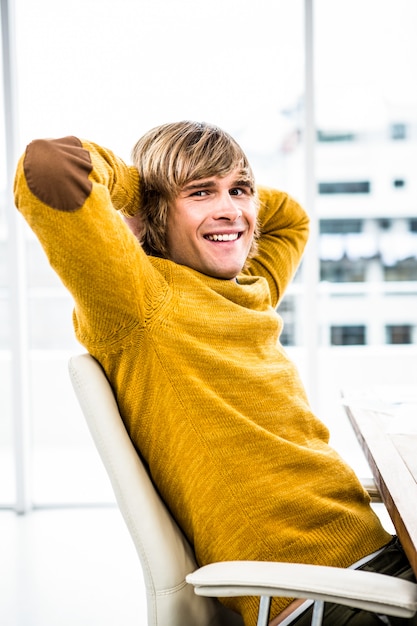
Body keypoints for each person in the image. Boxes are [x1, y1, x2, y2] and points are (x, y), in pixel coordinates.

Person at [14, 121, 416, 626]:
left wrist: (206, 195)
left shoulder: (249, 287)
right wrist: (150, 190)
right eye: (200, 193)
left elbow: (291, 218)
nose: (231, 209)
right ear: (155, 211)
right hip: (327, 598)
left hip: (381, 565)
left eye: (239, 189)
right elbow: (49, 165)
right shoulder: (138, 299)